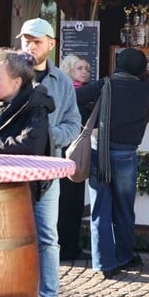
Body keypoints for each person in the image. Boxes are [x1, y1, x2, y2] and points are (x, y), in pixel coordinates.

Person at [75, 47, 149, 278]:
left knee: (100, 209)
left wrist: (90, 116)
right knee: (124, 210)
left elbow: (76, 97)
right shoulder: (144, 89)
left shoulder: (105, 85)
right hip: (125, 155)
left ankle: (104, 263)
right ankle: (125, 256)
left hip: (100, 153)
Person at [17, 18, 82, 297]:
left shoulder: (62, 82)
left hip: (46, 171)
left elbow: (74, 124)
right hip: (12, 171)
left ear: (51, 44)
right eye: (26, 40)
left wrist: (47, 137)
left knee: (47, 237)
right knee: (10, 236)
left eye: (36, 41)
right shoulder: (9, 73)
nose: (30, 46)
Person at [57, 53, 92, 259]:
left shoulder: (85, 93)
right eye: (80, 68)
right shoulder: (67, 92)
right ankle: (64, 248)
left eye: (87, 69)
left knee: (75, 200)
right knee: (66, 200)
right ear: (69, 69)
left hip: (76, 152)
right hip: (65, 151)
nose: (85, 72)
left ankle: (70, 246)